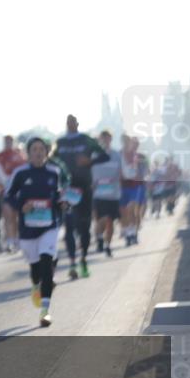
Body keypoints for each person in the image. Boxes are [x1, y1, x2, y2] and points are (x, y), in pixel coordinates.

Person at [5, 137, 69, 327]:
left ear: (47, 152)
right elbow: (8, 195)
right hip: (28, 229)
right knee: (35, 269)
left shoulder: (54, 172)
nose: (39, 152)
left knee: (47, 264)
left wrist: (63, 203)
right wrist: (21, 206)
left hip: (49, 225)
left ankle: (45, 311)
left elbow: (57, 195)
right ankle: (35, 286)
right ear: (28, 153)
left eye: (42, 149)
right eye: (34, 149)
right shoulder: (21, 173)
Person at [52, 115, 108, 279]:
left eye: (73, 121)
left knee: (84, 227)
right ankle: (72, 263)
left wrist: (89, 162)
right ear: (65, 124)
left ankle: (83, 258)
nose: (70, 124)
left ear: (77, 124)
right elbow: (50, 158)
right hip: (67, 189)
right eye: (67, 122)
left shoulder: (86, 140)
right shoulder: (60, 142)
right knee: (69, 226)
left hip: (85, 188)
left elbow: (104, 156)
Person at [91, 130, 123, 258]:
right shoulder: (93, 155)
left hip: (113, 194)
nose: (105, 140)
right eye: (102, 138)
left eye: (107, 138)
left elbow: (121, 172)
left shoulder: (116, 155)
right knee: (101, 220)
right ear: (100, 140)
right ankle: (99, 237)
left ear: (111, 139)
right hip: (98, 194)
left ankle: (108, 245)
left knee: (111, 221)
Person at [0, 135, 27, 252]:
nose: (8, 143)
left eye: (10, 141)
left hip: (19, 191)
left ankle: (18, 239)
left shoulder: (20, 155)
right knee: (8, 216)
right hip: (5, 191)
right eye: (6, 141)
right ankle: (10, 240)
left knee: (17, 217)